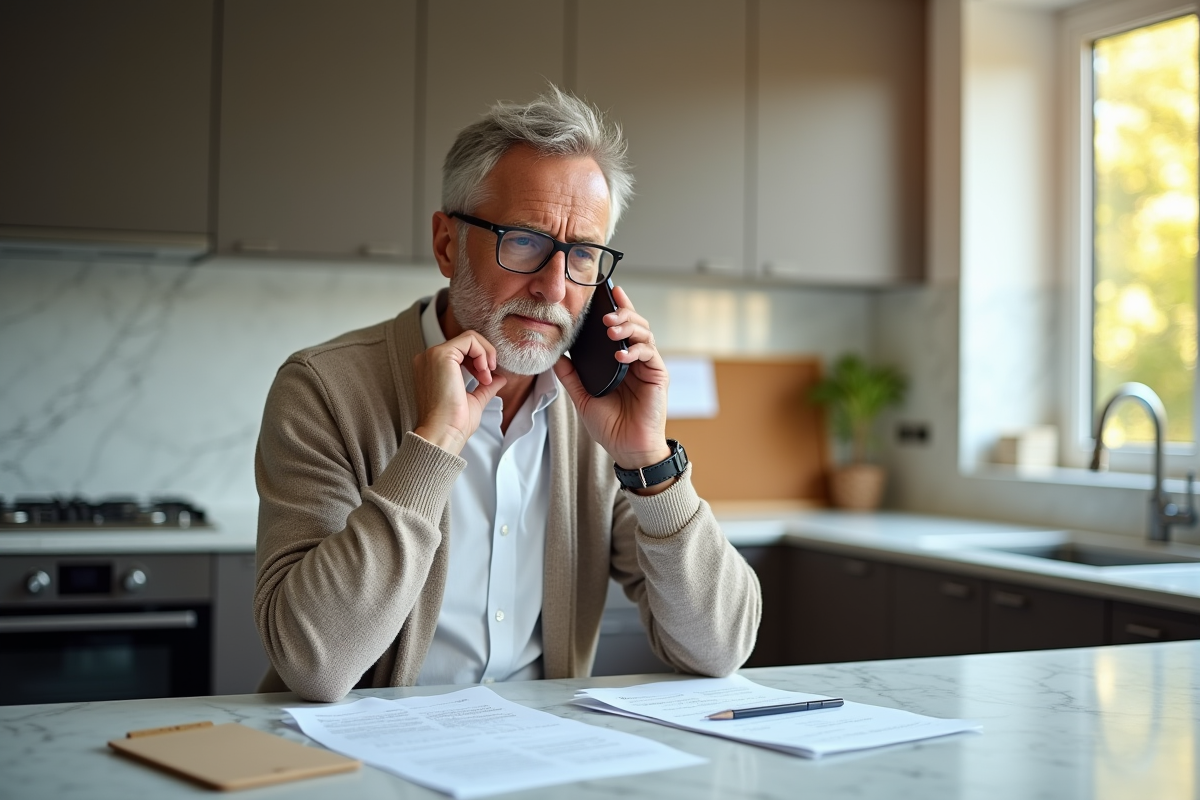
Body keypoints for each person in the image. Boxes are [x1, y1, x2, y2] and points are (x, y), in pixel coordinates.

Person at [253, 86, 762, 702]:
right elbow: (313, 664)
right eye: (524, 240)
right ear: (447, 244)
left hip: (537, 758)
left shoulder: (600, 414)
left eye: (583, 255)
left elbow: (720, 648)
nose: (554, 286)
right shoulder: (323, 389)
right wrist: (432, 445)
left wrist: (648, 462)